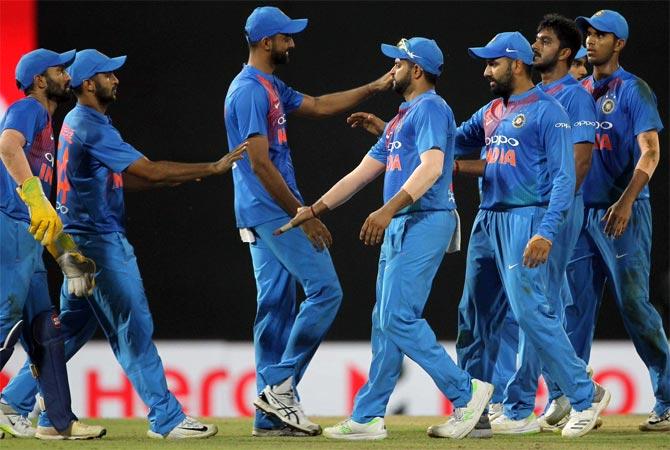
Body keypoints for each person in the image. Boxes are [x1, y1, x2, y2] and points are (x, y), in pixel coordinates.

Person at [0, 49, 246, 440]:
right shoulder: (74, 121)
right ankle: (166, 417)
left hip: (70, 239)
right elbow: (146, 170)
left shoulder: (67, 123)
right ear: (86, 83)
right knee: (132, 322)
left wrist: (175, 177)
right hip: (96, 241)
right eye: (108, 74)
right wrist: (211, 167)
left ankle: (26, 405)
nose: (116, 79)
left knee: (62, 330)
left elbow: (122, 178)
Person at [277, 36, 494, 441]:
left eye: (398, 63)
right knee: (385, 321)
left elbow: (432, 168)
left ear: (416, 71)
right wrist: (314, 209)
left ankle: (467, 393)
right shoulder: (400, 117)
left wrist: (388, 208)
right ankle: (368, 416)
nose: (391, 69)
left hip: (426, 219)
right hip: (405, 223)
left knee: (397, 317)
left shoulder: (431, 107)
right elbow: (361, 174)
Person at [224, 6, 392, 437]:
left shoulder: (269, 84)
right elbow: (259, 164)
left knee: (274, 310)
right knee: (326, 291)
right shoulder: (247, 91)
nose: (292, 44)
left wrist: (374, 86)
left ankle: (269, 413)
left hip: (262, 210)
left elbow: (317, 106)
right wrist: (303, 214)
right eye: (286, 37)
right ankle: (280, 388)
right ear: (266, 42)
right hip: (271, 210)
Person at [451, 31, 609, 438]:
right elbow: (448, 143)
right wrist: (394, 132)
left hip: (526, 219)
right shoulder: (490, 111)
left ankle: (584, 394)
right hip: (487, 219)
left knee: (530, 313)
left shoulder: (549, 110)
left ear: (515, 64)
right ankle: (475, 411)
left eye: (493, 63)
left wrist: (546, 232)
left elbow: (563, 177)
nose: (487, 71)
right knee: (474, 317)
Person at [487, 15, 598, 434]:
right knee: (532, 309)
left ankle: (540, 400)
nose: (536, 46)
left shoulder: (572, 97)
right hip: (528, 210)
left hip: (554, 209)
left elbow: (577, 166)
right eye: (534, 39)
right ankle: (560, 392)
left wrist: (550, 224)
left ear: (565, 52)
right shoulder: (523, 98)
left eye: (545, 40)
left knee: (535, 309)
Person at [571, 9, 670, 432]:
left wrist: (627, 200)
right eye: (588, 34)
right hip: (581, 214)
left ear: (620, 43)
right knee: (574, 309)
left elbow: (650, 151)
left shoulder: (634, 90)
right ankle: (576, 399)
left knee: (633, 305)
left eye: (601, 35)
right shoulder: (578, 92)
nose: (591, 41)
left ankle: (667, 395)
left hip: (623, 212)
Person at [0, 48, 105, 440]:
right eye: (60, 70)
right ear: (40, 81)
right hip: (8, 228)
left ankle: (58, 423)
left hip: (26, 237)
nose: (67, 75)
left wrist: (67, 255)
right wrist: (31, 192)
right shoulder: (29, 109)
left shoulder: (46, 126)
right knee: (4, 326)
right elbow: (7, 146)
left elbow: (45, 212)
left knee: (48, 331)